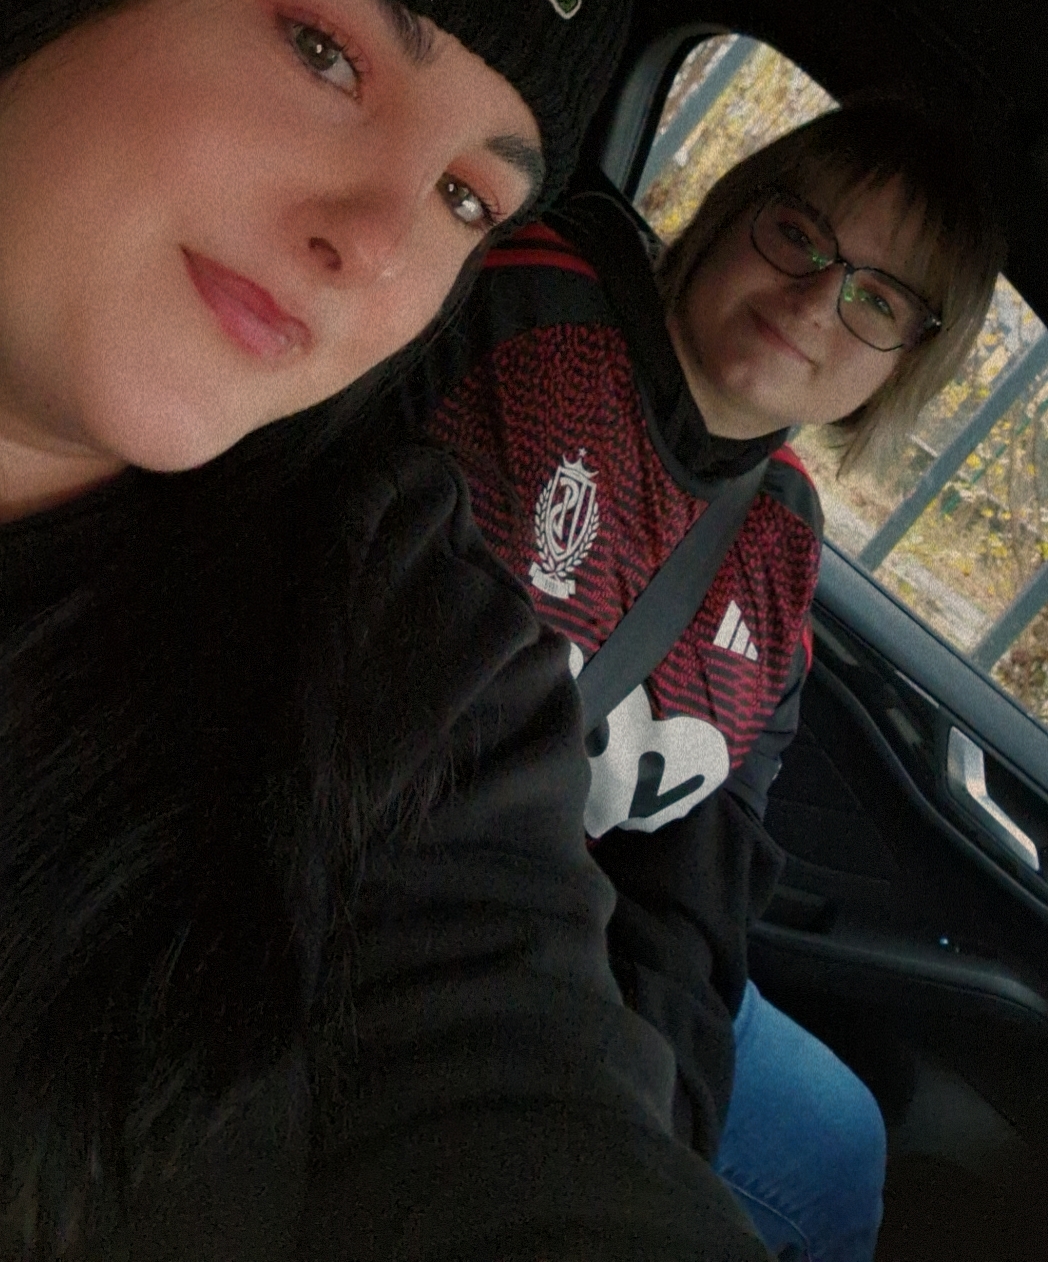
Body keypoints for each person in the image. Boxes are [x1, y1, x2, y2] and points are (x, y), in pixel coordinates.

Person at [0, 0, 775, 1261]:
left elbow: (524, 1111)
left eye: (471, 200)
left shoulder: (396, 652)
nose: (381, 242)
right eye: (326, 53)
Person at [389, 98, 1005, 1262]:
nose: (814, 301)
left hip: (587, 961)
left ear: (902, 367)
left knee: (836, 1146)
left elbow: (705, 868)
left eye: (878, 300)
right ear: (729, 214)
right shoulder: (523, 310)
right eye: (799, 235)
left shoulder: (783, 537)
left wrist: (656, 1102)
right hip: (401, 899)